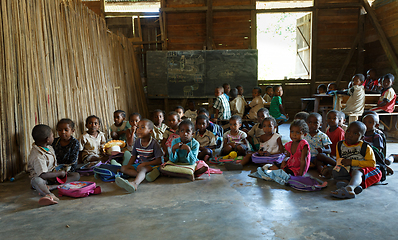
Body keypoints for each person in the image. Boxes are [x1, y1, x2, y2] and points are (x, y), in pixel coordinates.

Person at [28, 124, 80, 205]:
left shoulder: (49, 147)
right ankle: (48, 194)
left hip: (53, 174)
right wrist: (60, 173)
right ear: (48, 139)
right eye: (52, 135)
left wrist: (61, 169)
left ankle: (52, 187)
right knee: (36, 181)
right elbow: (42, 175)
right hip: (43, 178)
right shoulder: (38, 156)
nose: (54, 137)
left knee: (76, 175)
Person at [331, 121, 382, 199]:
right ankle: (351, 186)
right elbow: (339, 160)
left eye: (355, 134)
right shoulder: (340, 145)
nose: (350, 135)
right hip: (349, 171)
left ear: (361, 137)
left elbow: (372, 164)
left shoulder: (365, 147)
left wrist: (352, 162)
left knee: (357, 172)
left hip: (364, 172)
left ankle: (349, 187)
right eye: (348, 131)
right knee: (336, 170)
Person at [116, 119, 163, 193]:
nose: (139, 130)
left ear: (150, 131)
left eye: (142, 127)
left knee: (143, 169)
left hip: (152, 165)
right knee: (123, 168)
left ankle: (135, 183)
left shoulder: (154, 143)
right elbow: (133, 156)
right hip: (141, 164)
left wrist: (144, 164)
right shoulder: (137, 142)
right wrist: (128, 167)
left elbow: (159, 160)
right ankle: (142, 176)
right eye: (138, 127)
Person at [317, 110, 344, 178]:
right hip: (329, 154)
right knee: (319, 157)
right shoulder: (328, 130)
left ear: (339, 120)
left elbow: (342, 146)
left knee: (324, 158)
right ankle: (324, 170)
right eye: (329, 118)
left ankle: (337, 166)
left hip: (337, 156)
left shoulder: (340, 131)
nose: (331, 120)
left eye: (334, 118)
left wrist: (337, 157)